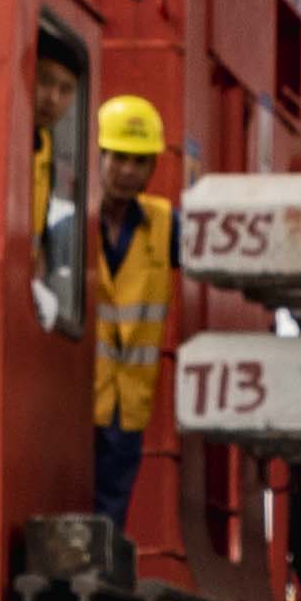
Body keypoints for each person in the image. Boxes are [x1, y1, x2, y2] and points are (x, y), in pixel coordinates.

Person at [89, 90, 177, 529]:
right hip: (76, 401)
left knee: (108, 524)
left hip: (127, 406)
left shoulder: (164, 224)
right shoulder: (68, 222)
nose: (127, 171)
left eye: (140, 161)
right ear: (98, 155)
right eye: (118, 157)